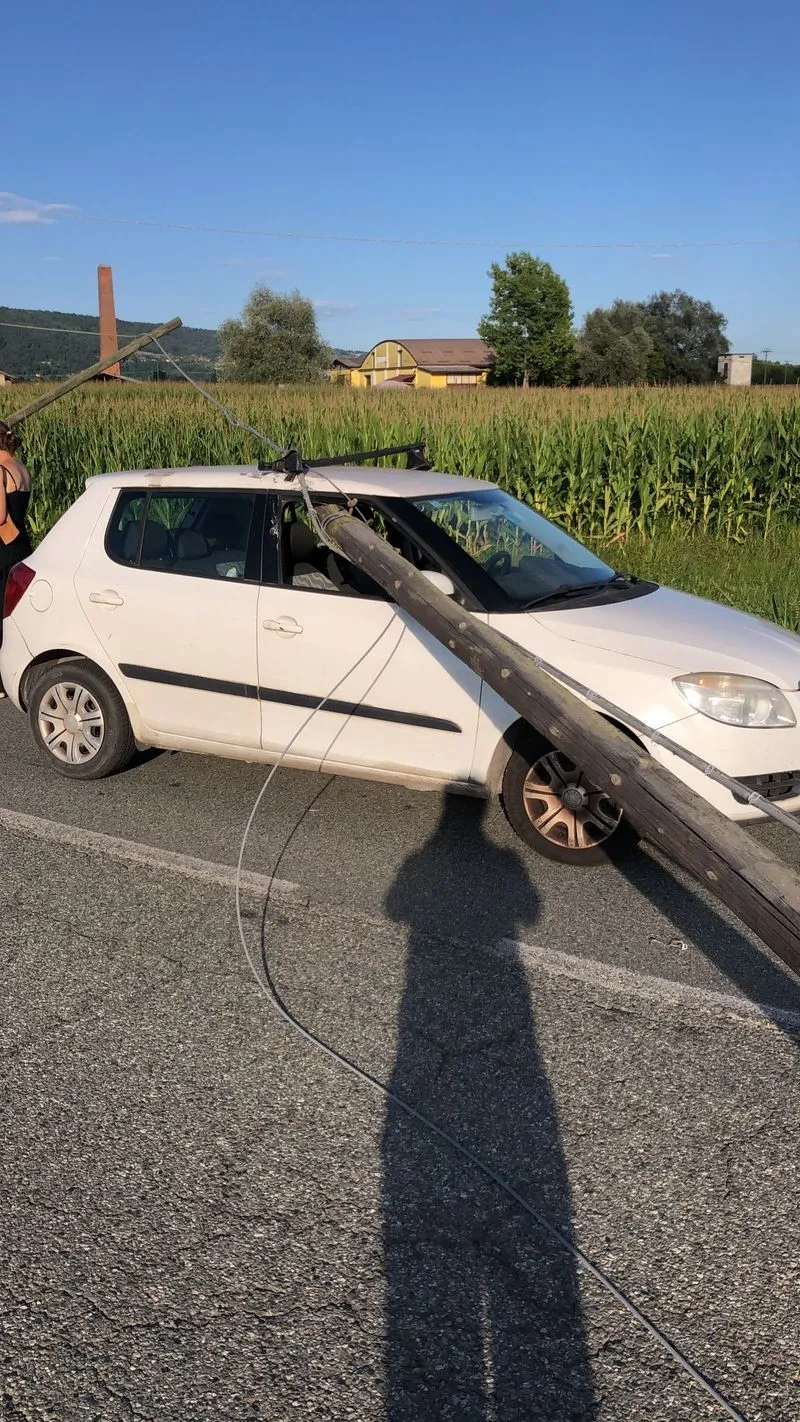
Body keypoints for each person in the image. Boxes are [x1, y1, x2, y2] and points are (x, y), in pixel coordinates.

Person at [0, 420, 32, 695]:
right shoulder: (21, 468)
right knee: (14, 613)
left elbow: (0, 516)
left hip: (2, 547)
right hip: (22, 544)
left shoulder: (0, 471)